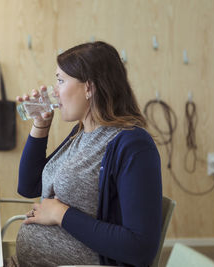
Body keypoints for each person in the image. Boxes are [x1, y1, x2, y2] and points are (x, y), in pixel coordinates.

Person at [13, 41, 162, 267]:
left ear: (89, 88)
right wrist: (40, 126)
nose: (54, 90)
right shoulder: (81, 133)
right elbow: (28, 186)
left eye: (61, 81)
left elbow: (140, 247)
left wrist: (61, 213)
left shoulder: (133, 145)